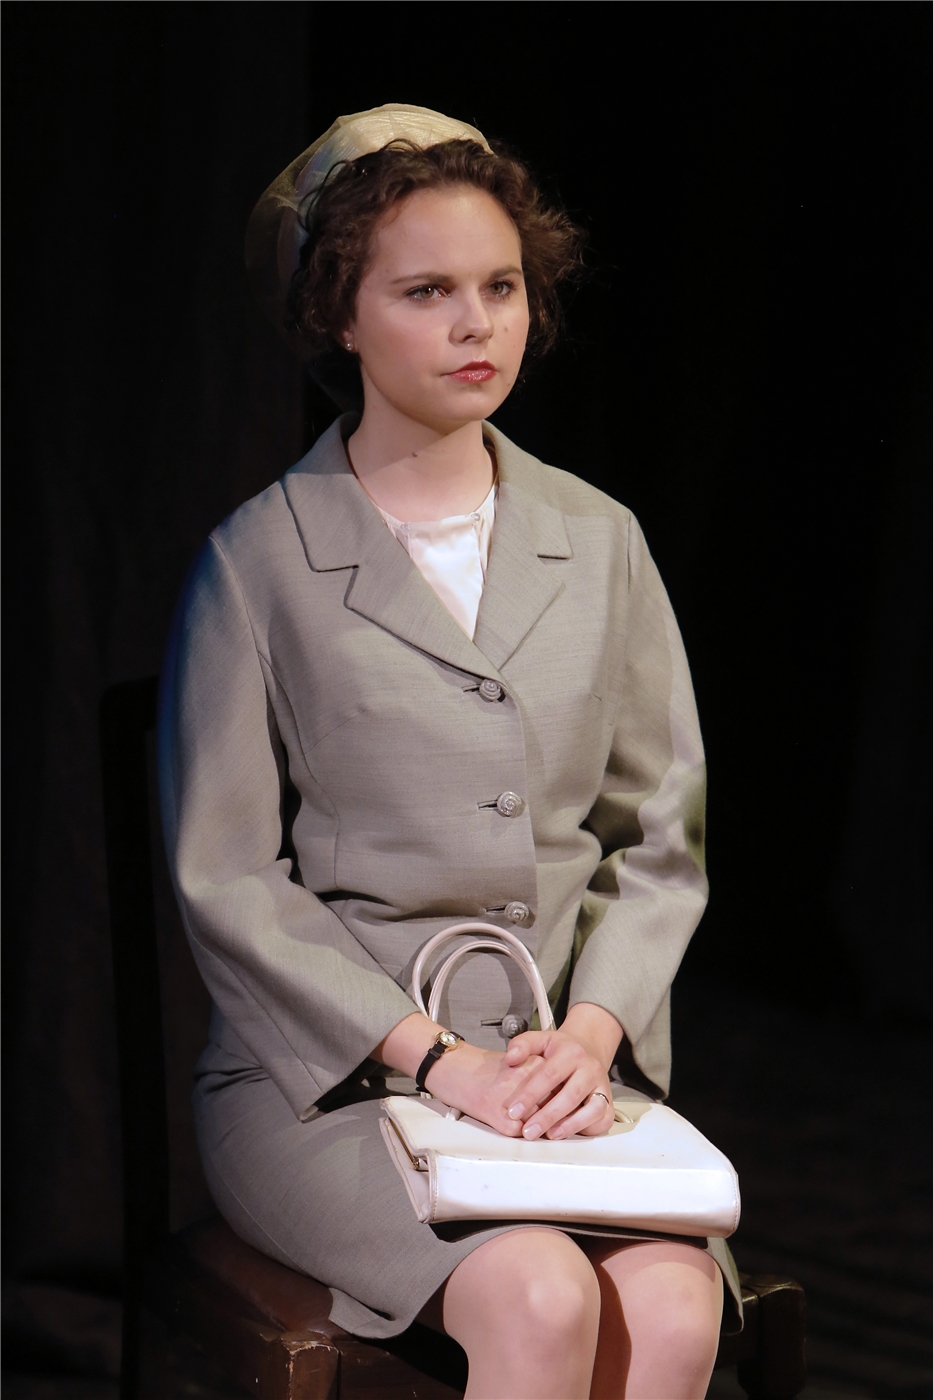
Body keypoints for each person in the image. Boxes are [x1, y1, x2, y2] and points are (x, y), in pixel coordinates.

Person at [159, 104, 741, 1400]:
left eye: (501, 287)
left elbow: (660, 835)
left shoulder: (601, 541)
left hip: (556, 1066)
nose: (477, 324)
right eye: (426, 292)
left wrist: (589, 1033)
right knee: (536, 1292)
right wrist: (436, 1058)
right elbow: (227, 880)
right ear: (339, 315)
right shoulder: (259, 564)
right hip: (329, 1083)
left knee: (671, 1304)